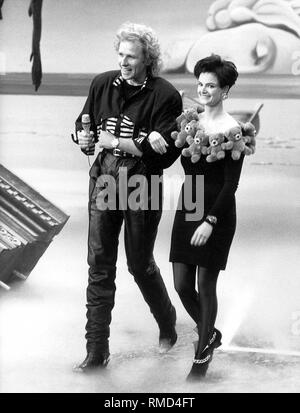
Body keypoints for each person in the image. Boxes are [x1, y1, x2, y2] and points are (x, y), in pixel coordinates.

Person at [72, 22, 183, 372]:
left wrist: (120, 143)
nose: (123, 61)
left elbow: (165, 155)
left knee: (139, 263)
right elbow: (83, 125)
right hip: (104, 178)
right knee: (99, 264)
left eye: (131, 56)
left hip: (142, 183)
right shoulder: (102, 83)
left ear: (147, 59)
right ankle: (96, 350)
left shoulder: (166, 95)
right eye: (120, 54)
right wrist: (83, 139)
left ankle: (168, 323)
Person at [169, 55, 243, 380]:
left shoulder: (233, 130)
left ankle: (201, 360)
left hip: (218, 212)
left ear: (225, 90)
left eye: (210, 85)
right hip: (190, 202)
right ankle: (210, 334)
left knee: (205, 284)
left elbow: (231, 185)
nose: (203, 90)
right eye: (200, 84)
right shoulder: (189, 123)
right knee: (182, 284)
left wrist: (209, 221)